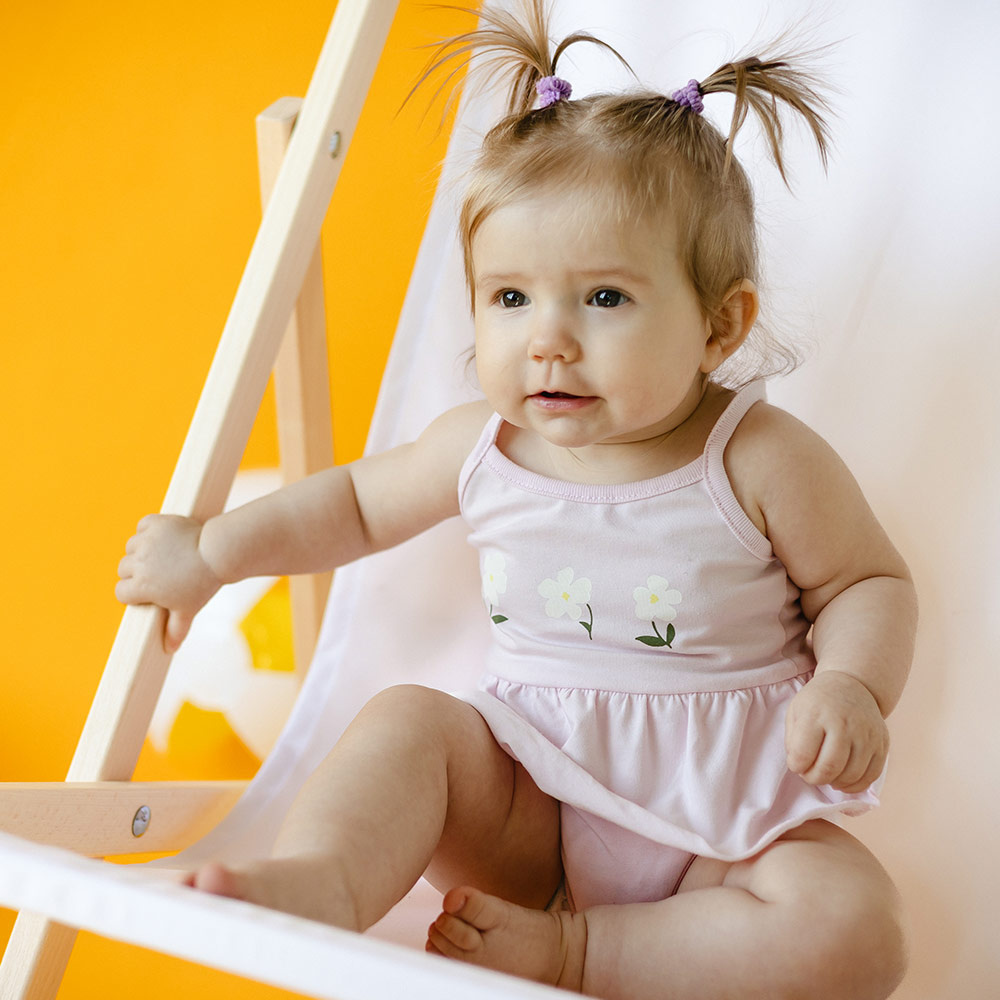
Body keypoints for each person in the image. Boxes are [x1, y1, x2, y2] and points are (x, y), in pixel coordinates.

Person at [116, 3, 916, 997]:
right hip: (529, 802)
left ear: (720, 325)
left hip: (726, 831)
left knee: (856, 926)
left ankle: (585, 953)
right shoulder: (482, 446)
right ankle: (323, 881)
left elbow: (865, 582)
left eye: (605, 298)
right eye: (509, 297)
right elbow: (353, 507)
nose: (547, 340)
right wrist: (211, 552)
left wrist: (852, 685)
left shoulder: (757, 456)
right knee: (410, 724)